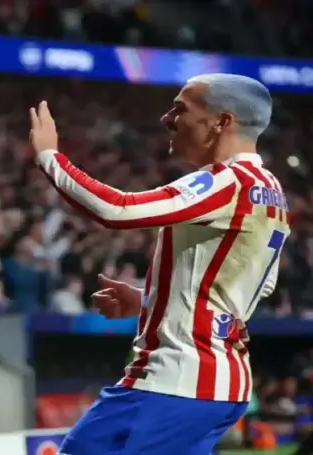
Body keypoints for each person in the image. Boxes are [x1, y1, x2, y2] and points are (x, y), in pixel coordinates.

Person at [28, 73, 289, 454]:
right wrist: (150, 301)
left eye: (180, 109)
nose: (167, 119)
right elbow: (255, 285)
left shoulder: (228, 181)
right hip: (220, 385)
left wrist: (49, 157)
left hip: (175, 382)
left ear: (222, 121)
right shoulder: (271, 190)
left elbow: (118, 209)